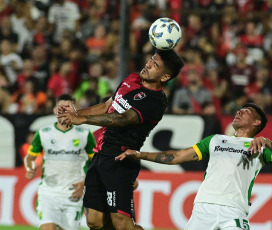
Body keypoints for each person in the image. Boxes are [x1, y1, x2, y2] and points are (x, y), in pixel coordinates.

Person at [116, 103, 272, 230]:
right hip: (204, 207)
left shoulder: (260, 147)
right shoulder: (215, 140)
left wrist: (268, 143)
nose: (239, 112)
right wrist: (140, 154)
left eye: (246, 111)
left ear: (256, 123)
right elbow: (177, 156)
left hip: (233, 210)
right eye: (240, 110)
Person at [57, 49, 184, 230]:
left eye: (155, 65)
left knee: (122, 224)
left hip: (121, 159)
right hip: (100, 155)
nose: (147, 64)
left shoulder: (156, 101)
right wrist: (75, 114)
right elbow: (108, 105)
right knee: (94, 221)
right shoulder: (131, 79)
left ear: (164, 77)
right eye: (150, 60)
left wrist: (82, 119)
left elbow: (123, 118)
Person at [24, 94, 96, 230]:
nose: (63, 111)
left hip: (73, 194)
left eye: (67, 107)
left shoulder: (84, 134)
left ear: (74, 110)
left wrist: (84, 183)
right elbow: (30, 158)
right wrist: (29, 168)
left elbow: (96, 163)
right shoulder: (44, 133)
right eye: (60, 107)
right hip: (49, 193)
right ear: (55, 110)